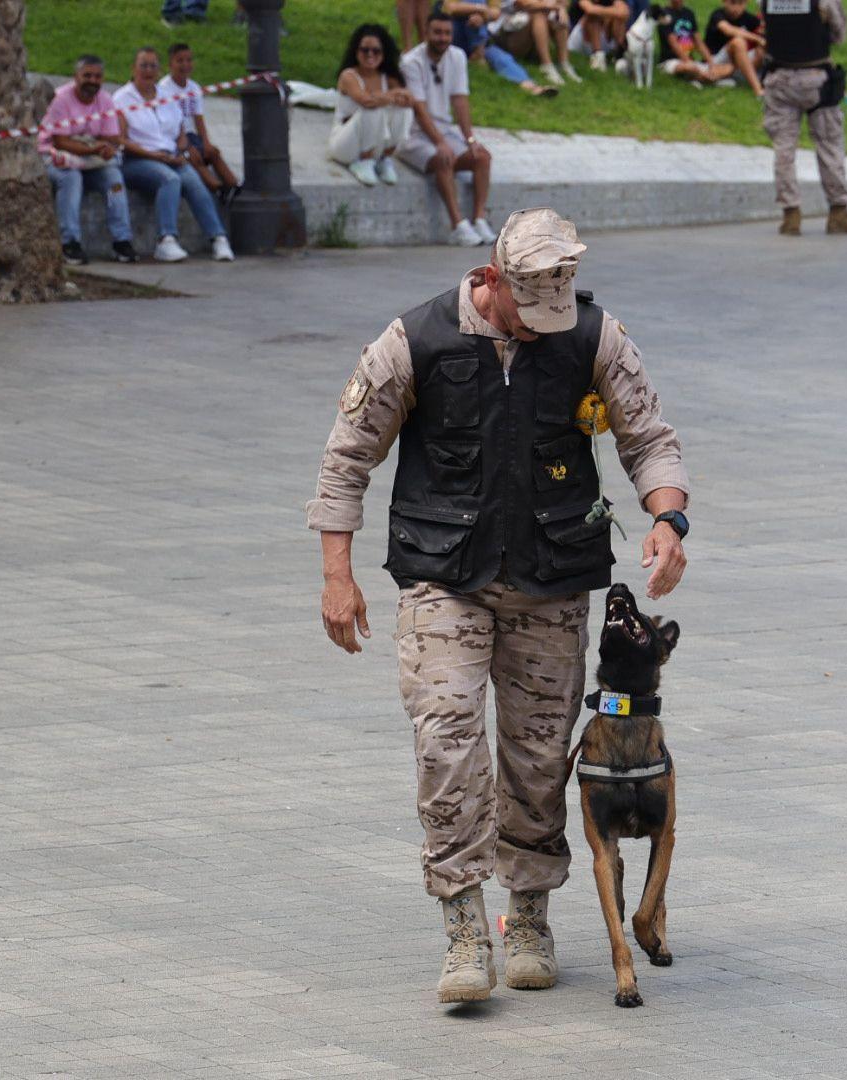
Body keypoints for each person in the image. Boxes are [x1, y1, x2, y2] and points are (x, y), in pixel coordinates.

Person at [307, 207, 689, 1006]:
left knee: (541, 757)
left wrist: (666, 518)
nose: (548, 324)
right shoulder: (415, 341)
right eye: (531, 309)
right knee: (446, 739)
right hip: (443, 574)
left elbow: (649, 435)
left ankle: (530, 915)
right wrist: (337, 574)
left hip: (550, 580)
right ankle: (463, 929)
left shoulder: (593, 337)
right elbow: (348, 456)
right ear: (491, 280)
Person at [115, 46, 235, 263]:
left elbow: (180, 130)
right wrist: (155, 156)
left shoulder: (165, 96)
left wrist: (181, 150)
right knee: (169, 179)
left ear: (159, 70)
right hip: (138, 159)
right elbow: (120, 140)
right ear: (134, 68)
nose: (148, 71)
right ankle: (166, 239)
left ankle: (218, 237)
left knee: (194, 181)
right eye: (143, 65)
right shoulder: (122, 98)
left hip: (170, 156)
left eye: (153, 66)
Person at [760, 0, 847, 236]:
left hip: (778, 79)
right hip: (817, 80)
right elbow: (839, 35)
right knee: (829, 145)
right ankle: (838, 212)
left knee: (784, 149)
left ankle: (791, 216)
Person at [398, 14, 495, 247]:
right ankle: (457, 225)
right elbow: (419, 109)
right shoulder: (411, 61)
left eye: (447, 33)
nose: (442, 38)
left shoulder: (457, 56)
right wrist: (440, 142)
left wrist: (469, 139)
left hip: (444, 132)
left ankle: (479, 219)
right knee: (444, 159)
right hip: (412, 135)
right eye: (437, 32)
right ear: (427, 34)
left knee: (482, 157)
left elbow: (460, 101)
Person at [37, 55, 138, 266]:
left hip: (90, 159)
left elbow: (110, 137)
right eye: (87, 75)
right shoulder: (61, 99)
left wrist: (107, 149)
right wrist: (93, 147)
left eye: (98, 76)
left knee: (114, 179)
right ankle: (70, 243)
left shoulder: (105, 100)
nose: (92, 81)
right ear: (76, 77)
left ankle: (122, 240)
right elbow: (61, 141)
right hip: (56, 155)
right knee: (71, 179)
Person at [331, 24, 414, 186]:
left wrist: (387, 97)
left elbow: (408, 99)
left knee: (403, 110)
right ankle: (364, 161)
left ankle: (385, 159)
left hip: (376, 143)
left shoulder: (388, 77)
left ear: (384, 54)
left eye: (376, 51)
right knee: (372, 109)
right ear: (356, 51)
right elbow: (366, 100)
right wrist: (391, 96)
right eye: (365, 50)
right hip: (346, 145)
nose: (370, 55)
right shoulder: (349, 76)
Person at [163, 44, 242, 205]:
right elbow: (171, 121)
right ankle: (217, 188)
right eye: (180, 61)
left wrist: (206, 142)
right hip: (175, 136)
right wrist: (185, 146)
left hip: (191, 135)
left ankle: (235, 185)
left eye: (189, 60)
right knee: (194, 158)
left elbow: (198, 117)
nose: (185, 65)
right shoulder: (164, 88)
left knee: (213, 153)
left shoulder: (194, 87)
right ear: (170, 64)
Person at [440, 1, 560, 97]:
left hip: (483, 41)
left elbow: (496, 13)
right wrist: (481, 9)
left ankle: (530, 86)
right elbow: (451, 8)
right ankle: (477, 54)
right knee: (474, 9)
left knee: (503, 58)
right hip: (454, 39)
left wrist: (482, 16)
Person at [493, 0, 582, 87]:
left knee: (556, 15)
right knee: (538, 13)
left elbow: (562, 2)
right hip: (509, 39)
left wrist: (561, 8)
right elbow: (522, 3)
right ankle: (546, 65)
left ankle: (563, 63)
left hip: (531, 39)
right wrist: (557, 6)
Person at [703, 0, 765, 96]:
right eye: (732, 3)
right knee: (738, 42)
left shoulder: (749, 18)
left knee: (762, 49)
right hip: (715, 60)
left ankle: (729, 73)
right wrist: (757, 38)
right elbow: (728, 30)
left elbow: (764, 34)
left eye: (740, 3)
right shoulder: (718, 15)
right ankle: (758, 90)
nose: (736, 8)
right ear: (724, 2)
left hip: (737, 62)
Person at [568, 0, 634, 71]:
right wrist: (614, 11)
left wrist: (601, 11)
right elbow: (590, 10)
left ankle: (618, 57)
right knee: (592, 17)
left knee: (619, 20)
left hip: (604, 37)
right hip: (581, 40)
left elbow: (625, 12)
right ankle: (598, 56)